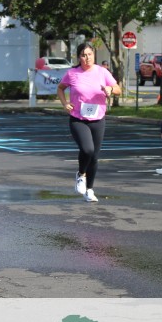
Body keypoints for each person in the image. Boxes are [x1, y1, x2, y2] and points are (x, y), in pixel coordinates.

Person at [56, 42, 121, 202]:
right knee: (87, 149)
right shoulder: (72, 73)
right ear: (79, 57)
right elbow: (60, 88)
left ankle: (89, 190)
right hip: (78, 118)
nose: (87, 58)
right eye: (83, 55)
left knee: (94, 156)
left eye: (90, 54)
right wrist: (65, 103)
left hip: (98, 118)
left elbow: (118, 89)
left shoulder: (102, 71)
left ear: (94, 55)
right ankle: (80, 174)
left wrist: (110, 89)